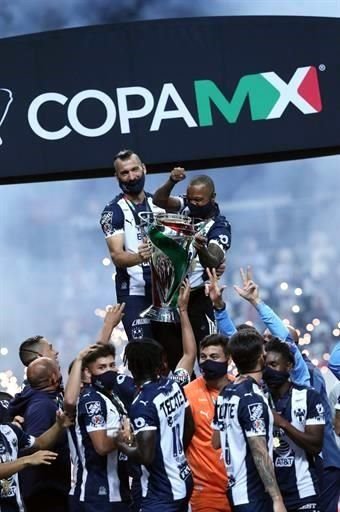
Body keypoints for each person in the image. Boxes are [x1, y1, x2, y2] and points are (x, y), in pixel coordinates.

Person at [152, 167, 231, 355]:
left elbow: (213, 261)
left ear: (212, 197)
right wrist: (171, 181)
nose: (193, 203)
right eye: (190, 198)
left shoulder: (219, 227)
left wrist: (201, 247)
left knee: (206, 352)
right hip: (170, 296)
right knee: (174, 355)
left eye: (199, 200)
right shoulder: (185, 205)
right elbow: (159, 200)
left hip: (199, 297)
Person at [212, 328, 286, 512]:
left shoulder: (226, 392)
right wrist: (277, 499)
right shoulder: (252, 398)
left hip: (234, 488)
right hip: (254, 492)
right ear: (262, 356)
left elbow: (215, 441)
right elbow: (259, 451)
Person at [118, 338, 194, 512]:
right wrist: (173, 455)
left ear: (132, 367)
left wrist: (121, 442)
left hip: (159, 491)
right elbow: (190, 426)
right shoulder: (173, 385)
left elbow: (146, 456)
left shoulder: (142, 405)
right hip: (183, 477)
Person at [100, 149, 165, 341]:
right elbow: (117, 257)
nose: (131, 177)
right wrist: (139, 257)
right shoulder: (112, 213)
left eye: (134, 170)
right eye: (124, 173)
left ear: (144, 168)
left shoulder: (161, 204)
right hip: (134, 294)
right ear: (116, 177)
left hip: (165, 292)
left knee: (174, 352)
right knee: (145, 355)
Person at [264, 337, 325, 512]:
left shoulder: (308, 397)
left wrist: (283, 423)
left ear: (289, 366)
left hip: (304, 491)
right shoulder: (258, 399)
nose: (269, 371)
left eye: (274, 365)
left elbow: (315, 446)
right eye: (266, 366)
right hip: (269, 494)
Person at [69, 343, 132, 512]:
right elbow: (102, 446)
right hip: (97, 494)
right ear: (89, 373)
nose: (109, 371)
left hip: (119, 489)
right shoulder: (92, 400)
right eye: (102, 367)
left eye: (112, 365)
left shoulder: (112, 395)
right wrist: (124, 436)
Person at [8, 357, 71, 512]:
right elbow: (34, 445)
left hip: (51, 488)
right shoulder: (41, 406)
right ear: (54, 378)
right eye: (57, 368)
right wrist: (59, 426)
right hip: (45, 492)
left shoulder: (47, 399)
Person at [184, 334, 232, 512]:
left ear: (228, 358)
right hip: (205, 494)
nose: (207, 362)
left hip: (240, 488)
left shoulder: (240, 390)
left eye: (214, 357)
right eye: (203, 357)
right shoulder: (187, 393)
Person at [0, 410, 71, 512]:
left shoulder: (9, 430)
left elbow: (41, 443)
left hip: (15, 507)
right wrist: (27, 460)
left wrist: (58, 425)